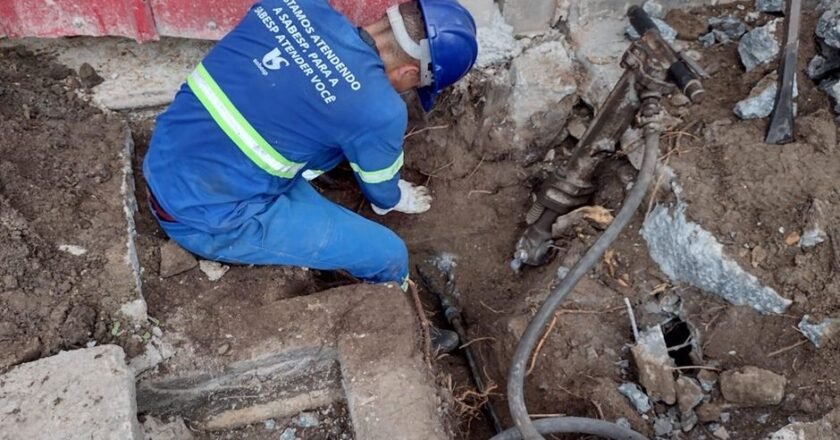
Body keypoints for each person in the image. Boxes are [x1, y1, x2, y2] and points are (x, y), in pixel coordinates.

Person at [142, 0, 478, 351]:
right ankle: (415, 332)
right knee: (388, 253)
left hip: (168, 157)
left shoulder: (294, 6)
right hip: (205, 216)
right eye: (414, 87)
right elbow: (382, 195)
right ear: (410, 73)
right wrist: (398, 196)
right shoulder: (380, 110)